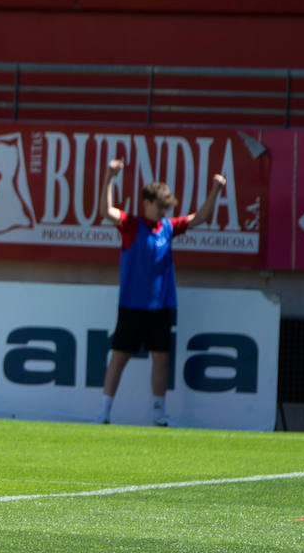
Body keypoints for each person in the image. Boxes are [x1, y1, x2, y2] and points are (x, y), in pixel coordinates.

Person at [94, 158, 226, 427]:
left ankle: (158, 413)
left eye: (167, 207)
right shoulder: (130, 225)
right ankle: (104, 412)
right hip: (131, 306)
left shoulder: (168, 227)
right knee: (119, 358)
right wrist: (109, 177)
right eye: (160, 206)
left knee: (161, 360)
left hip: (161, 307)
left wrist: (216, 190)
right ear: (147, 202)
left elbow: (199, 217)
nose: (164, 211)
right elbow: (106, 210)